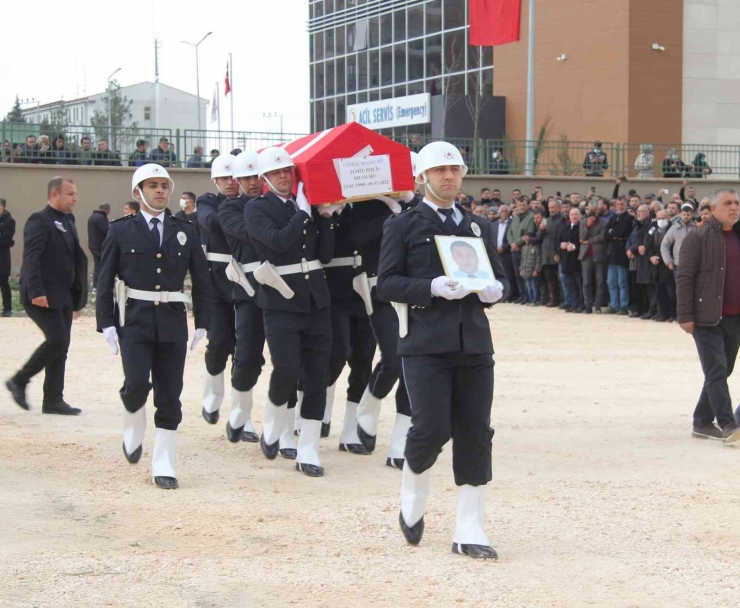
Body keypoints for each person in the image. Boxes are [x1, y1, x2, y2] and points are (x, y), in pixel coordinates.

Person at [376, 140, 508, 560]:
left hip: (473, 343)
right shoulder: (403, 225)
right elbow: (387, 283)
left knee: (476, 432)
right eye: (439, 171)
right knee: (431, 429)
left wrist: (495, 290)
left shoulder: (478, 226)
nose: (448, 177)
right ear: (422, 177)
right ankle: (413, 488)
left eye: (454, 169)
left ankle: (470, 527)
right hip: (424, 342)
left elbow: (501, 279)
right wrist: (430, 288)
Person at [95, 164, 211, 489]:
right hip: (134, 320)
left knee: (170, 395)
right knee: (135, 385)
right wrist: (105, 322)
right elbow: (104, 279)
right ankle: (133, 425)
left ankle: (164, 462)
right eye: (152, 185)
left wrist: (203, 321)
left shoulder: (185, 229)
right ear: (138, 192)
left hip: (173, 321)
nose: (160, 190)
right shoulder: (120, 230)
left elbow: (202, 280)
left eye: (164, 185)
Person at [244, 148, 339, 478]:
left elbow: (324, 255)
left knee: (317, 376)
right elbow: (277, 242)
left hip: (316, 300)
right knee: (285, 369)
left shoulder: (308, 206)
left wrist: (325, 219)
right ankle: (272, 425)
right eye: (278, 172)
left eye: (288, 170)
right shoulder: (256, 208)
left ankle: (309, 448)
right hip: (281, 301)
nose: (285, 175)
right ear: (265, 178)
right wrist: (301, 214)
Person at [5, 177, 88, 414]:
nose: (75, 198)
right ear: (54, 195)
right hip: (41, 295)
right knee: (57, 340)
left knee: (62, 346)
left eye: (75, 193)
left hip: (63, 296)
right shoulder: (38, 220)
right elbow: (31, 258)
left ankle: (53, 399)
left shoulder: (68, 220)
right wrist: (37, 291)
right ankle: (19, 380)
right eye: (70, 194)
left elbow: (72, 259)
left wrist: (77, 297)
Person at [676, 189, 740, 442]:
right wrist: (685, 315)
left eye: (736, 203)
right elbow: (684, 278)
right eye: (728, 203)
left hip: (735, 317)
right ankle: (727, 424)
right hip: (706, 317)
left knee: (723, 370)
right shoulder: (698, 237)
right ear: (713, 209)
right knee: (716, 370)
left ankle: (702, 421)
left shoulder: (738, 234)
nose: (734, 207)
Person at [217, 151, 266, 445]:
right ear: (237, 180)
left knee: (291, 360)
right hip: (249, 291)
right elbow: (255, 234)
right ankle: (241, 413)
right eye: (246, 177)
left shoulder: (278, 205)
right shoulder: (230, 209)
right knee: (247, 356)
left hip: (284, 290)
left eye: (256, 176)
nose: (252, 182)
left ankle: (287, 424)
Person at [197, 155, 240, 427]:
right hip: (215, 283)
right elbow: (210, 222)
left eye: (234, 176)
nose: (230, 182)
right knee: (219, 344)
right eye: (224, 177)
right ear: (215, 180)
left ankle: (240, 414)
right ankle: (212, 398)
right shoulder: (207, 201)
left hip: (245, 281)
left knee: (245, 351)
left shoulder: (250, 203)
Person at [605, 197, 633, 314]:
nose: (620, 206)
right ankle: (614, 305)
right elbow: (606, 235)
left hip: (622, 253)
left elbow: (622, 233)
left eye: (622, 204)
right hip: (612, 254)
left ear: (626, 205)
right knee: (611, 282)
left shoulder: (629, 218)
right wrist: (614, 234)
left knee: (622, 282)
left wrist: (613, 232)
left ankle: (624, 305)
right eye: (618, 204)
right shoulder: (612, 218)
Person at [579, 202, 607, 314]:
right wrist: (588, 226)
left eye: (596, 209)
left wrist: (589, 241)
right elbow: (581, 237)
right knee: (586, 282)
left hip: (599, 254)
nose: (594, 211)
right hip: (585, 255)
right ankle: (588, 305)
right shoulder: (582, 222)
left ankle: (598, 305)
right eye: (592, 209)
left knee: (600, 281)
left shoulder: (605, 222)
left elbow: (602, 236)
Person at [535, 199, 563, 307]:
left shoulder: (562, 220)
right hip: (546, 254)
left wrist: (558, 252)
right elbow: (538, 237)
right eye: (550, 208)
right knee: (549, 279)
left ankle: (562, 299)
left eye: (553, 207)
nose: (551, 210)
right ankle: (553, 299)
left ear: (558, 208)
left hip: (557, 254)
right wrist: (541, 229)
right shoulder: (546, 220)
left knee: (560, 279)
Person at [507, 198, 535, 304]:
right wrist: (512, 243)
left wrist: (517, 243)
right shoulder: (515, 218)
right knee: (517, 274)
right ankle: (522, 295)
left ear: (528, 205)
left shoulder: (531, 217)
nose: (521, 207)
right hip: (514, 249)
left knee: (525, 274)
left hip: (524, 250)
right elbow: (509, 232)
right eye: (519, 205)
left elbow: (529, 233)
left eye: (523, 205)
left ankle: (528, 296)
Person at [661, 204, 696, 279]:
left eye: (688, 214)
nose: (686, 217)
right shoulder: (674, 228)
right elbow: (664, 245)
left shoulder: (696, 228)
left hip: (694, 264)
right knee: (680, 289)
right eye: (684, 214)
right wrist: (668, 261)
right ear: (680, 214)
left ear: (692, 215)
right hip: (678, 264)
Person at [560, 208, 584, 312]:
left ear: (580, 216)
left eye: (576, 214)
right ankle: (573, 305)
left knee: (580, 284)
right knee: (570, 284)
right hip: (566, 260)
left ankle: (581, 305)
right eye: (572, 214)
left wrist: (575, 247)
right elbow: (558, 240)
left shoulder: (582, 227)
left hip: (578, 260)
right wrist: (561, 245)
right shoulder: (565, 227)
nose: (574, 216)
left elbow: (584, 242)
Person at [492, 205, 517, 302]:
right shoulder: (493, 224)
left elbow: (513, 237)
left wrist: (504, 247)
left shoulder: (512, 223)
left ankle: (508, 296)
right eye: (502, 211)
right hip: (495, 253)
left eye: (506, 211)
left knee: (508, 275)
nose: (504, 213)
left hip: (506, 253)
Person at [87, 203, 111, 292]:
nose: (108, 213)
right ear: (106, 209)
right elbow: (107, 231)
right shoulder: (101, 218)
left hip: (93, 246)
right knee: (105, 266)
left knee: (97, 266)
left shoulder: (92, 216)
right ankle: (103, 286)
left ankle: (95, 287)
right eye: (108, 211)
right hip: (100, 246)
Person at [0, 198, 16, 317]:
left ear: (4, 208)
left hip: (3, 256)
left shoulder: (9, 221)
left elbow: (6, 239)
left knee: (3, 282)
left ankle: (7, 308)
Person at [519, 229, 541, 305]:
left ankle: (535, 300)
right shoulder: (524, 248)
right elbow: (522, 259)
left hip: (532, 270)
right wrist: (521, 269)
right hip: (525, 270)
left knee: (534, 286)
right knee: (528, 286)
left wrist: (536, 269)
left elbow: (538, 259)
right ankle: (530, 299)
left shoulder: (535, 248)